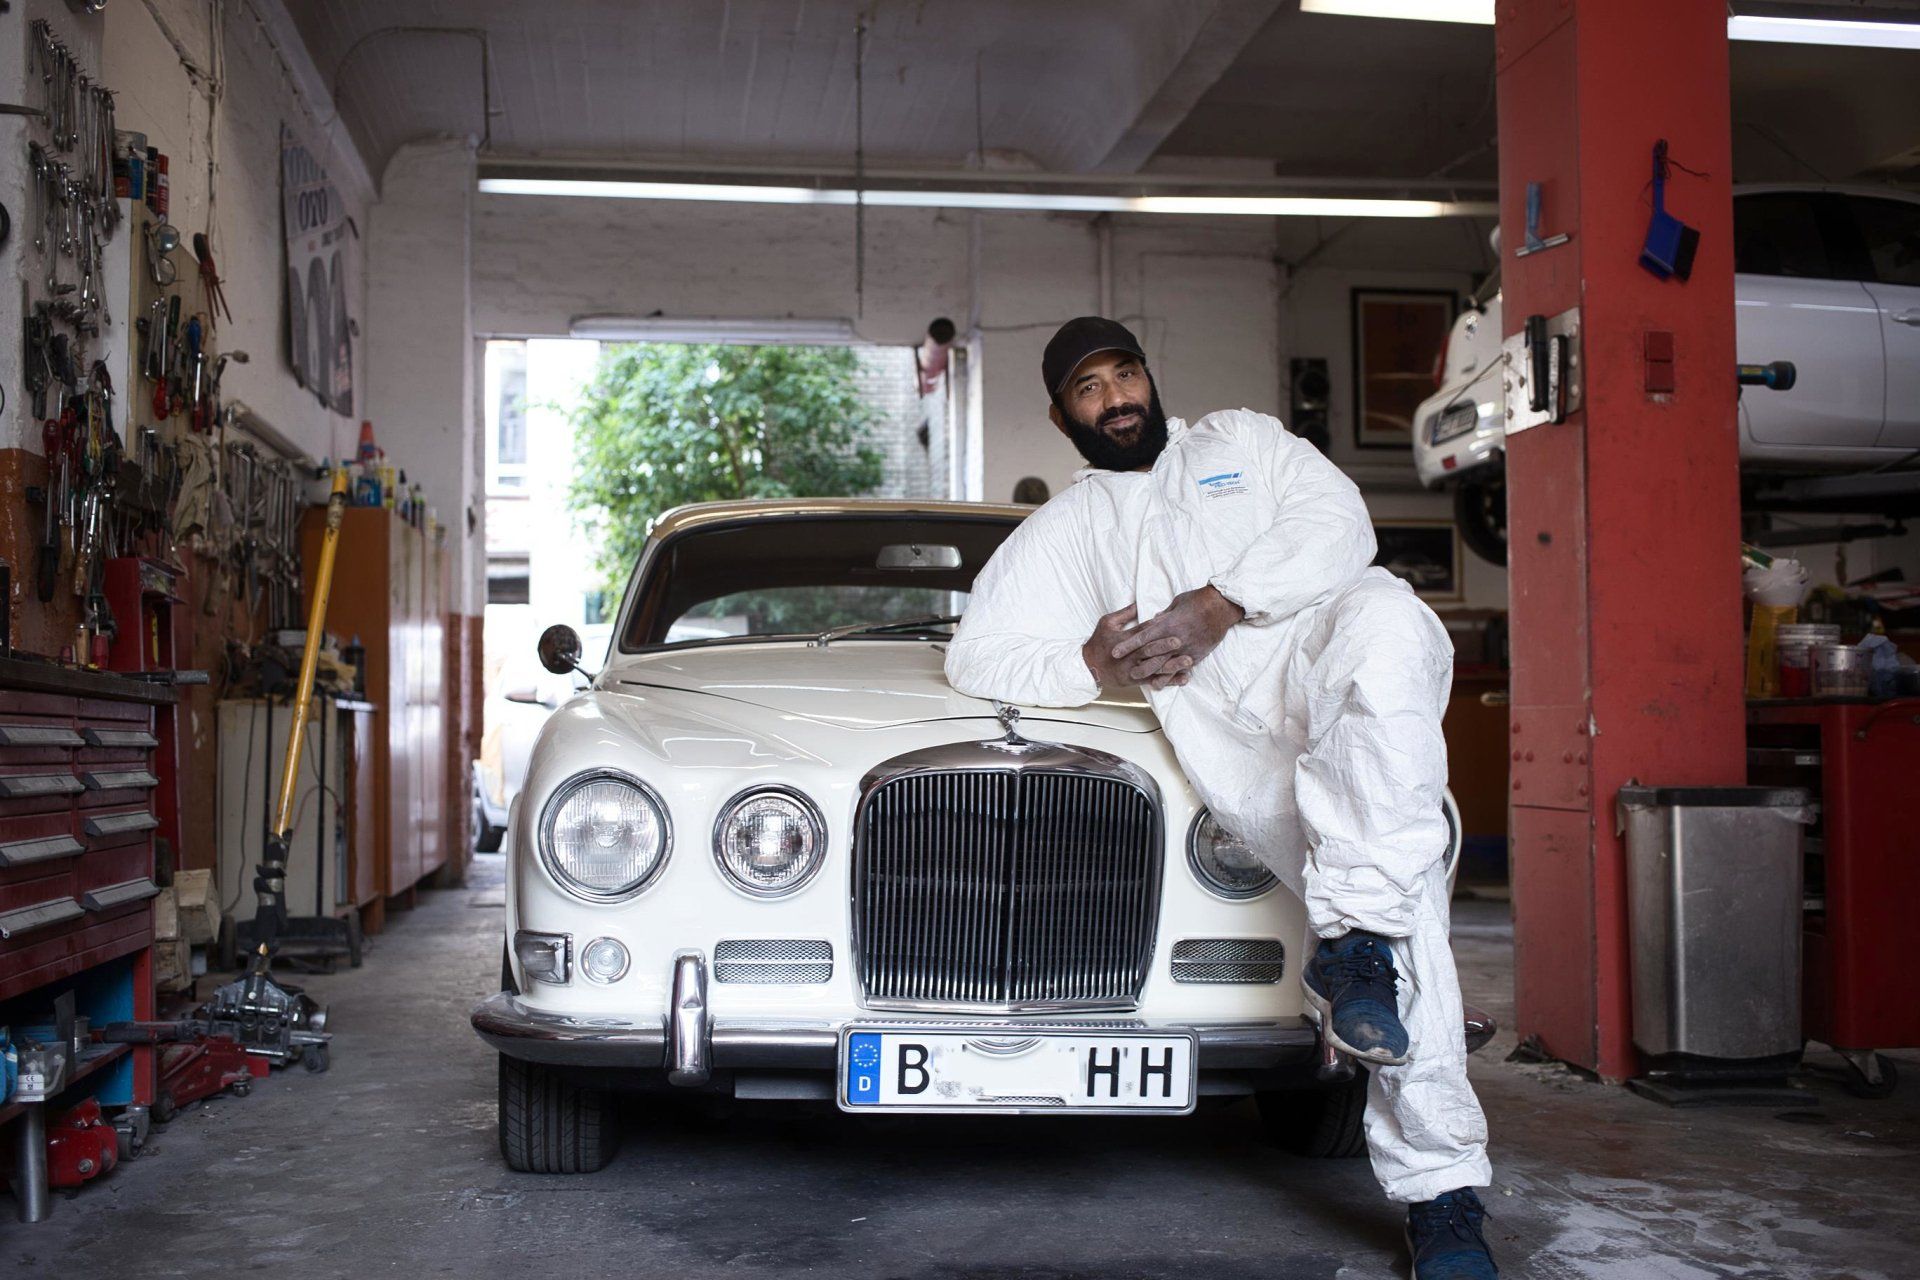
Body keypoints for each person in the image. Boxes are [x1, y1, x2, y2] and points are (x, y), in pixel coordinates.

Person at [945, 317, 1496, 1279]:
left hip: (1335, 663)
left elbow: (1342, 524)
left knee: (1394, 623)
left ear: (1150, 379)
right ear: (1060, 413)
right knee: (1409, 914)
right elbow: (975, 653)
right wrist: (1085, 661)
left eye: (1126, 374)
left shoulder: (1242, 441)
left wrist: (1220, 602)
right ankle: (1438, 1179)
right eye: (1090, 389)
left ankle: (1425, 1138)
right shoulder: (1068, 531)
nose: (1117, 398)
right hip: (1243, 748)